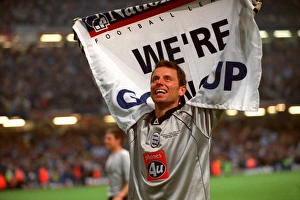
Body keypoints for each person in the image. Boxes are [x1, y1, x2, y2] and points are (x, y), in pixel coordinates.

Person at [74, 1, 263, 199]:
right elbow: (111, 83)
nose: (159, 83)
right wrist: (90, 48)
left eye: (167, 79)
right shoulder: (137, 124)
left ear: (183, 89)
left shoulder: (197, 117)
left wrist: (244, 15)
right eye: (155, 79)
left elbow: (226, 62)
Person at [104, 127, 130, 200]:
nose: (106, 141)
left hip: (122, 197)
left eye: (109, 139)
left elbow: (130, 180)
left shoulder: (124, 155)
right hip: (113, 196)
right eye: (106, 138)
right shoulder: (111, 156)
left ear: (118, 140)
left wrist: (120, 196)